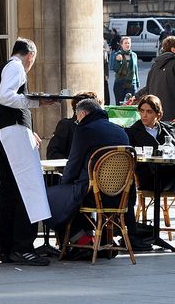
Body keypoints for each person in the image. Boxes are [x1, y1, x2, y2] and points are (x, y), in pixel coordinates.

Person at [46, 98, 149, 255]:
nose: (77, 121)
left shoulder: (84, 129)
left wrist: (63, 184)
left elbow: (73, 164)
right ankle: (89, 239)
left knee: (51, 195)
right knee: (68, 195)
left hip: (92, 194)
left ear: (83, 114)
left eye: (77, 117)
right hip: (119, 196)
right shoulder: (120, 131)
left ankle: (77, 240)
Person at [0, 37, 51, 266]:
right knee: (28, 188)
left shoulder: (2, 69)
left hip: (4, 133)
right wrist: (34, 101)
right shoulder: (16, 67)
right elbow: (6, 96)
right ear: (30, 55)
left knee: (10, 191)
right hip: (14, 133)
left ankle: (7, 247)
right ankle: (22, 246)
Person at [126, 94, 175, 191]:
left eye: (149, 112)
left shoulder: (168, 130)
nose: (144, 115)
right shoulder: (132, 132)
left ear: (158, 114)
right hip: (147, 177)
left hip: (169, 175)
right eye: (142, 111)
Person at [46, 92, 99, 161]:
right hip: (74, 169)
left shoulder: (100, 127)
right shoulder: (66, 125)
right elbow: (52, 153)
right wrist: (72, 163)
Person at [146, 36, 175, 121]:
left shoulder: (155, 65)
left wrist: (136, 96)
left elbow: (148, 87)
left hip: (157, 114)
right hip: (172, 115)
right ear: (173, 50)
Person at [112, 36, 139, 105]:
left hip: (131, 83)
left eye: (129, 43)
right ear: (121, 45)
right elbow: (115, 69)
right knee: (119, 104)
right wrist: (118, 61)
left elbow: (135, 69)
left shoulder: (134, 55)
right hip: (120, 82)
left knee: (132, 104)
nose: (127, 45)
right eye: (125, 43)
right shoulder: (117, 55)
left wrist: (137, 82)